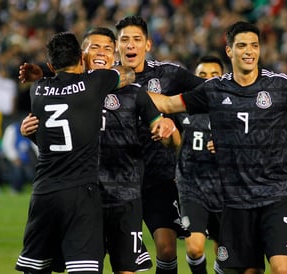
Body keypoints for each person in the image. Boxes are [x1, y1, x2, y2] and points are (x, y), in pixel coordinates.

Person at [146, 21, 287, 274]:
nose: (249, 51)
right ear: (229, 51)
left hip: (275, 196)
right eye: (241, 46)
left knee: (281, 269)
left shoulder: (280, 86)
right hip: (236, 200)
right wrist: (132, 92)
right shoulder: (214, 90)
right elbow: (168, 104)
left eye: (254, 45)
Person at [18, 27, 179, 274]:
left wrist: (168, 132)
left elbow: (170, 137)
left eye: (107, 47)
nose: (101, 51)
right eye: (94, 46)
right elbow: (126, 74)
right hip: (85, 196)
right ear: (82, 56)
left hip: (120, 196)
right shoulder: (95, 83)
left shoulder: (39, 89)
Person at [115, 15, 205, 274]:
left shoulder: (168, 74)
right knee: (122, 257)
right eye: (124, 40)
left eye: (136, 40)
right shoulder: (105, 79)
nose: (130, 45)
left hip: (159, 178)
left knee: (166, 249)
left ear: (148, 45)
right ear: (117, 45)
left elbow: (209, 94)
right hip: (119, 178)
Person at [175, 55, 224, 274]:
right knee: (194, 248)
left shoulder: (233, 110)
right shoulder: (182, 106)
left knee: (224, 254)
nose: (207, 80)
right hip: (191, 188)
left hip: (226, 190)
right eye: (202, 75)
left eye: (214, 75)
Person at [1, 119, 38, 193]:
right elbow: (7, 146)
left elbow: (35, 146)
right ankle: (15, 188)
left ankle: (36, 188)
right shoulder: (12, 129)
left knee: (33, 172)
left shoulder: (31, 129)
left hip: (27, 158)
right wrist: (14, 157)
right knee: (17, 169)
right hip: (13, 157)